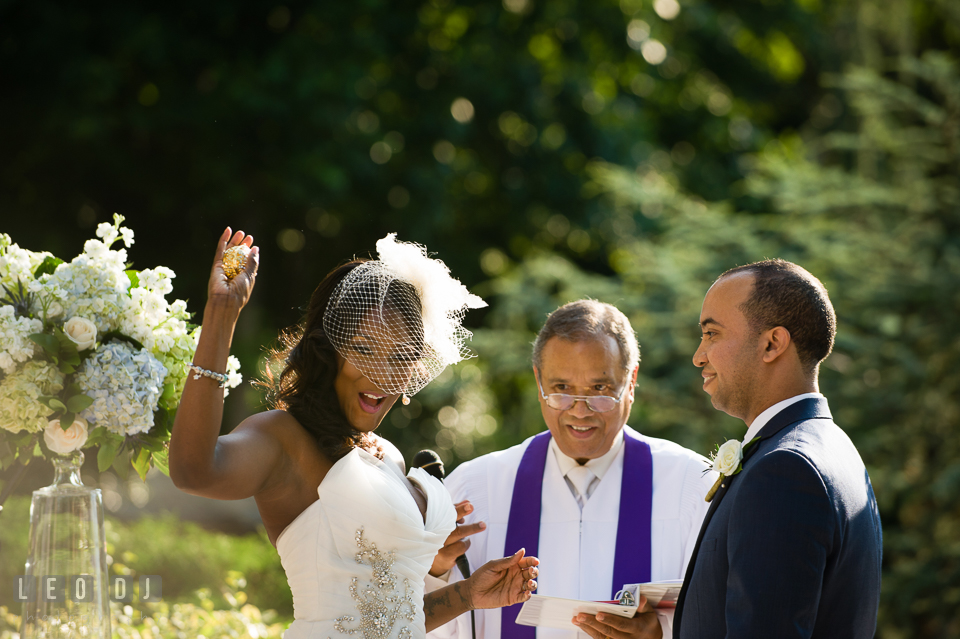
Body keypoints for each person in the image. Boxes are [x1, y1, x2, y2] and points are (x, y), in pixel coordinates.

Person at [169, 229, 540, 639]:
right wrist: (221, 315)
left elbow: (389, 618)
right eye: (363, 349)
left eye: (400, 357)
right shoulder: (283, 439)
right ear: (327, 350)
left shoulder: (389, 455)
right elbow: (193, 470)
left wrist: (468, 594)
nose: (381, 374)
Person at [427, 300, 715, 639]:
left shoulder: (691, 487)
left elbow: (721, 614)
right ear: (539, 381)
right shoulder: (476, 488)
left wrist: (663, 633)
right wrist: (435, 570)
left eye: (599, 389)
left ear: (631, 381)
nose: (580, 411)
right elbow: (421, 622)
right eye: (561, 389)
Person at [673, 259, 883, 638]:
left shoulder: (785, 470)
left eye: (711, 334)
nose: (698, 355)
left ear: (772, 344)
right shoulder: (833, 447)